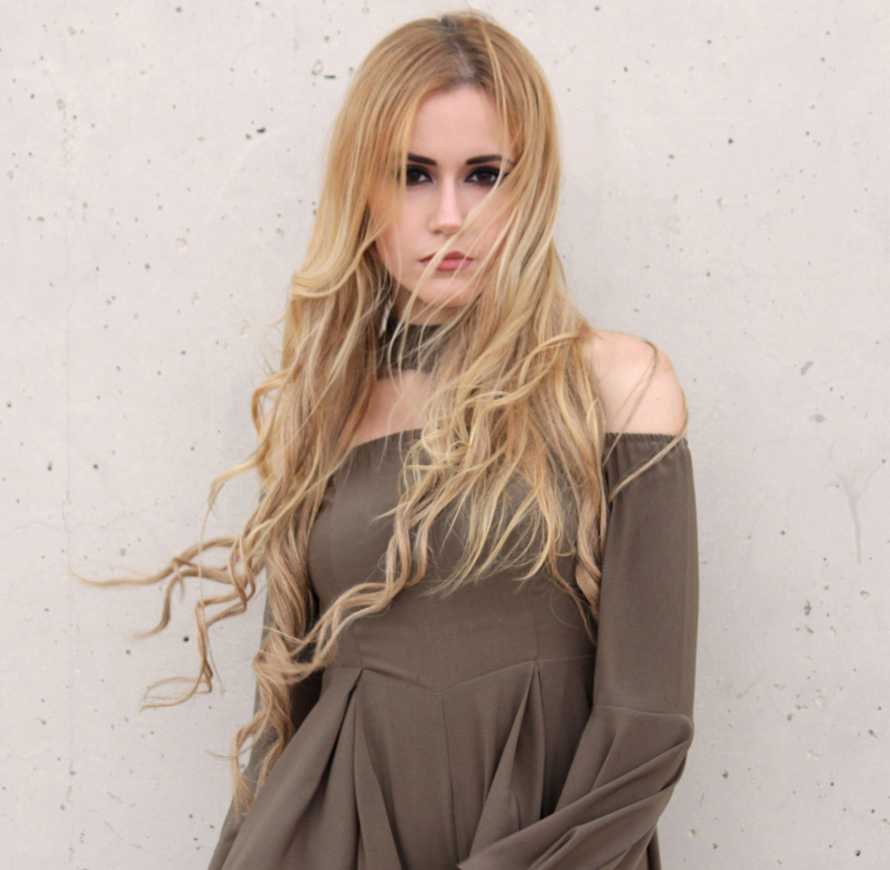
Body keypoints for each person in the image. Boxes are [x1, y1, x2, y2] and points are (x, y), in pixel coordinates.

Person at [130, 11, 698, 869]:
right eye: (413, 175)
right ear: (364, 189)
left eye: (485, 175)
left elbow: (647, 731)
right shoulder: (326, 408)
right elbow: (283, 722)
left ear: (531, 186)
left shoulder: (618, 385)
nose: (450, 216)